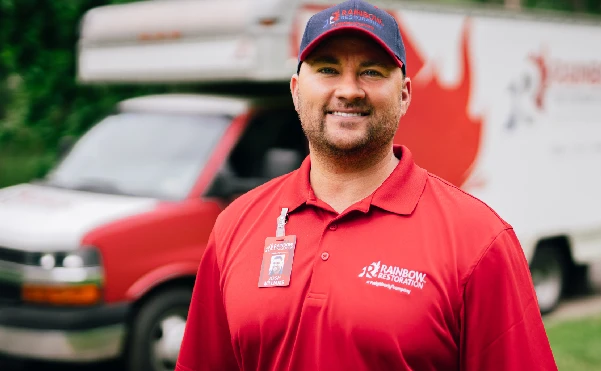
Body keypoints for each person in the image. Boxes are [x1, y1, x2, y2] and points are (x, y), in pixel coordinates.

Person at [175, 0, 558, 370]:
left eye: (372, 72)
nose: (349, 90)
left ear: (405, 94)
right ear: (295, 90)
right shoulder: (236, 225)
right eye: (327, 69)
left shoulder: (479, 241)